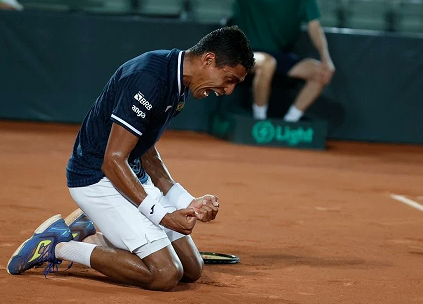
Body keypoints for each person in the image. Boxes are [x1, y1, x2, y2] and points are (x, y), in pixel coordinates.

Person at [7, 26, 255, 291]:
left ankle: (92, 231)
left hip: (128, 174)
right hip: (96, 179)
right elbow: (112, 160)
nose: (228, 91)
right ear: (209, 60)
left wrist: (188, 201)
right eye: (229, 79)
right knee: (165, 273)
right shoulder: (148, 78)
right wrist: (162, 216)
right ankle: (58, 246)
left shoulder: (179, 83)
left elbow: (147, 151)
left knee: (192, 269)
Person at [232, 0, 335, 121]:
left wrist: (326, 59)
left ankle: (290, 122)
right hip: (245, 51)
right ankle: (259, 121)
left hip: (281, 56)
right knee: (267, 63)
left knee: (321, 72)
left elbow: (314, 26)